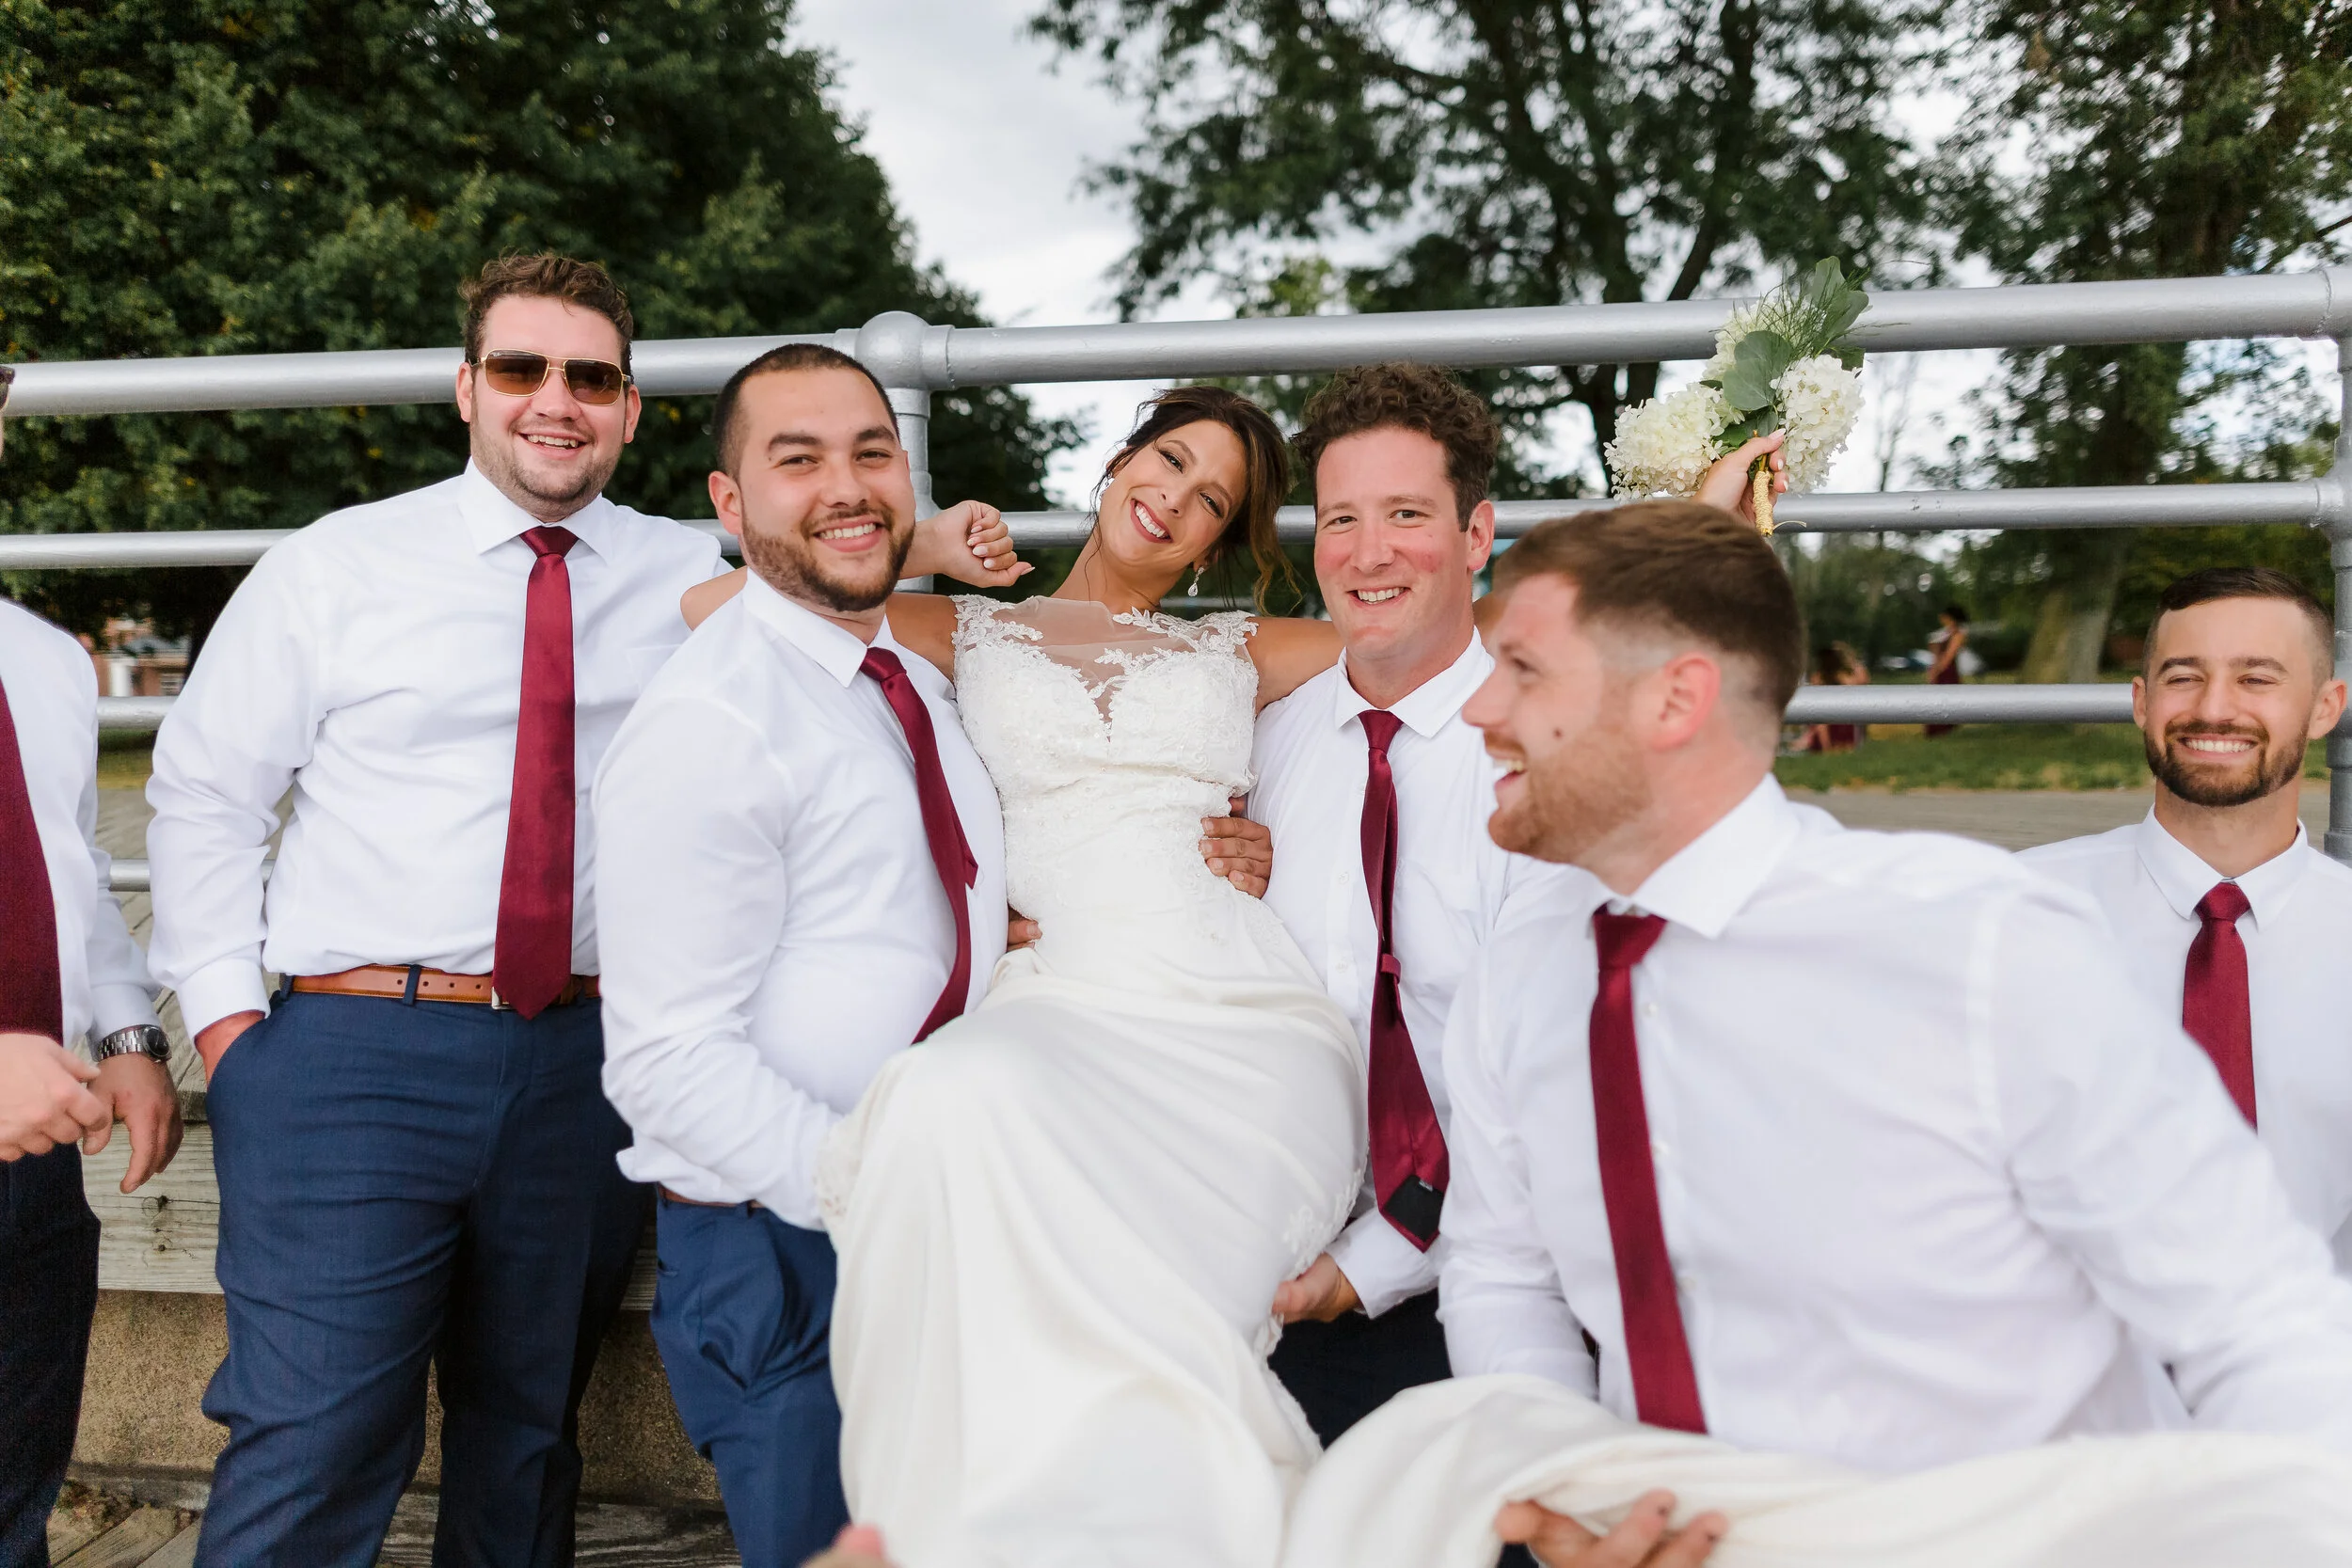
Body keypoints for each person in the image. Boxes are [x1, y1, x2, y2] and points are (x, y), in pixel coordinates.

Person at [795, 387, 1787, 1564]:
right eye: (1342, 520)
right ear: (1118, 462)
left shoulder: (1331, 689)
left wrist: (1692, 528)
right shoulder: (1234, 717)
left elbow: (1496, 620)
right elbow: (762, 611)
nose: (1368, 553)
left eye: (1213, 498)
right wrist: (922, 545)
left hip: (1369, 1141)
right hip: (1088, 1015)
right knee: (948, 1113)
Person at [145, 256, 1016, 1567]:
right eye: (521, 369)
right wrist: (230, 1035)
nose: (556, 400)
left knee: (528, 1437)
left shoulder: (685, 572)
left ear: (628, 409)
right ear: (467, 389)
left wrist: (935, 543)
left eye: (592, 377)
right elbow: (205, 794)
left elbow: (844, 598)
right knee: (312, 1433)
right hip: (358, 1051)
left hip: (582, 1058)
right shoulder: (336, 567)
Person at [594, 343, 1015, 1567]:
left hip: (931, 1212)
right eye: (799, 459)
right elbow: (666, 1062)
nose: (848, 485)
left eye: (873, 451)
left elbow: (903, 911)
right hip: (789, 1238)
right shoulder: (713, 718)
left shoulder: (904, 681)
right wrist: (873, 1191)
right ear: (729, 504)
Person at [1248, 363, 1582, 1446]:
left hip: (1494, 1261)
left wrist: (1368, 1263)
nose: (1368, 553)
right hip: (1270, 1246)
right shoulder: (1265, 744)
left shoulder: (1550, 760)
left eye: (1405, 515)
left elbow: (1548, 1075)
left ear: (1477, 533)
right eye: (1340, 518)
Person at [2022, 567, 2352, 1274]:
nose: (2215, 708)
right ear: (2141, 702)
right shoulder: (2018, 912)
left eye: (2256, 678)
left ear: (2326, 707)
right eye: (2183, 677)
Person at [0, 382, 181, 1568]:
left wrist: (128, 1036)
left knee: (13, 1503)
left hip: (34, 1163)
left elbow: (71, 873)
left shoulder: (42, 659)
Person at [1792, 641, 1864, 752]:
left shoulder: (1843, 676)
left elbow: (1861, 682)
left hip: (1841, 714)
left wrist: (1849, 658)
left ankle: (1820, 746)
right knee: (1820, 719)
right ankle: (1824, 747)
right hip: (1827, 715)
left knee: (1822, 721)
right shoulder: (1819, 677)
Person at [1922, 603, 1966, 737]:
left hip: (1947, 671)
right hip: (1939, 669)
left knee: (1946, 699)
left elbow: (1948, 656)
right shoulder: (1944, 633)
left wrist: (1937, 669)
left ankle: (1945, 729)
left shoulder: (1958, 635)